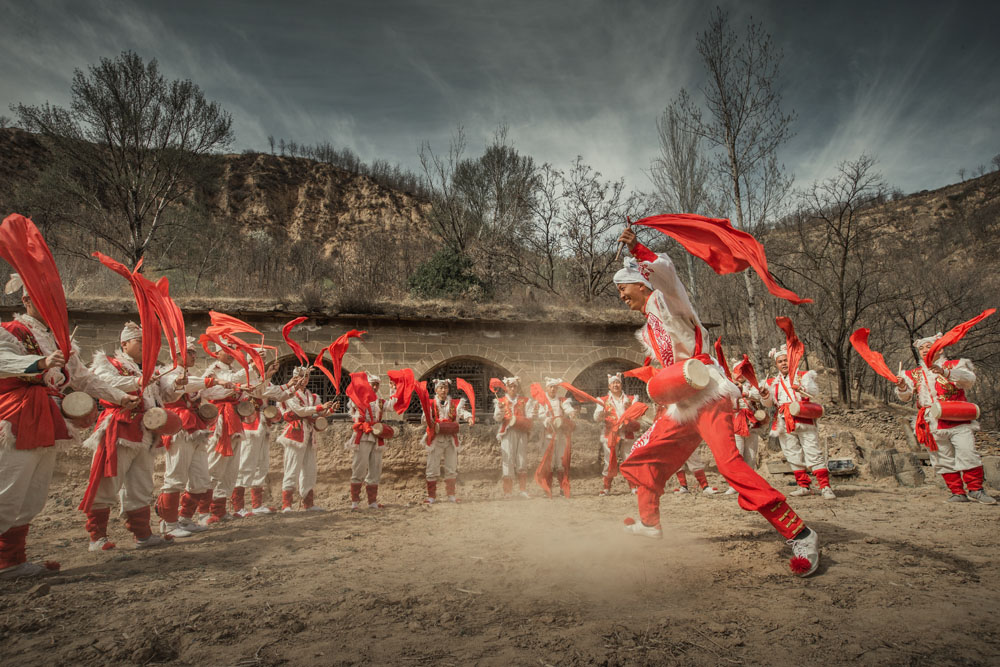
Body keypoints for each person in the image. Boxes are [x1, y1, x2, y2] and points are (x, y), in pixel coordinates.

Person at [614, 228, 820, 577]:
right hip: (682, 405)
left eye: (623, 288)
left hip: (708, 395)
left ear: (642, 283)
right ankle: (649, 524)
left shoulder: (666, 300)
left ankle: (800, 533)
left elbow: (668, 274)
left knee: (729, 465)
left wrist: (638, 249)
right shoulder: (649, 325)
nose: (621, 296)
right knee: (643, 454)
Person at [0, 276, 137, 576]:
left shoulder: (61, 341)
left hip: (46, 418)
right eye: (45, 299)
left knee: (32, 494)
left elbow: (84, 379)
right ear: (26, 301)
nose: (53, 306)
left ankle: (10, 560)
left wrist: (119, 397)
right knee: (7, 490)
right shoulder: (11, 331)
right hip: (16, 417)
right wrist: (39, 363)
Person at [81, 322, 172, 550]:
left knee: (141, 484)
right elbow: (102, 381)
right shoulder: (110, 363)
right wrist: (136, 381)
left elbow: (166, 395)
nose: (145, 346)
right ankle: (97, 537)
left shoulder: (150, 368)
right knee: (108, 481)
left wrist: (177, 385)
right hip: (119, 427)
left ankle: (142, 534)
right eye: (140, 341)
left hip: (145, 431)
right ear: (124, 344)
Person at [896, 334, 996, 504]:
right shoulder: (914, 374)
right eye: (921, 348)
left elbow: (969, 380)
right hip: (932, 422)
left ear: (940, 349)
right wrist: (902, 387)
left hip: (958, 418)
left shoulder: (955, 365)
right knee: (942, 458)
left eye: (929, 346)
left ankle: (976, 490)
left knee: (967, 452)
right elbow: (905, 397)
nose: (924, 350)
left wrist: (945, 372)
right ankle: (957, 492)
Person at [155, 337, 221, 537]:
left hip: (196, 428)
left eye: (194, 352)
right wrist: (212, 380)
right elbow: (178, 389)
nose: (194, 356)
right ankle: (169, 523)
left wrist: (234, 384)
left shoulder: (191, 375)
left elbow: (208, 390)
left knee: (201, 479)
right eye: (190, 352)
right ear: (177, 355)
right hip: (179, 427)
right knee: (175, 476)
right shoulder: (167, 373)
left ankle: (185, 518)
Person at [761, 345, 835, 499]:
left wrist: (800, 388)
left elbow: (812, 393)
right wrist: (765, 395)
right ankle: (803, 486)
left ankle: (825, 487)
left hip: (803, 418)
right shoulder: (772, 382)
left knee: (813, 451)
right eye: (780, 361)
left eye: (786, 360)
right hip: (783, 420)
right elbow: (768, 404)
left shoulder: (803, 376)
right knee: (792, 453)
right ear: (776, 364)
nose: (783, 363)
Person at [278, 366, 336, 511]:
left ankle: (308, 503)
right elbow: (300, 411)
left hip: (309, 434)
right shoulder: (290, 393)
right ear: (295, 377)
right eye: (301, 376)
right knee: (292, 468)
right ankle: (286, 504)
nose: (304, 379)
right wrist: (319, 408)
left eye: (307, 376)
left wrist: (329, 410)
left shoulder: (312, 396)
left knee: (310, 470)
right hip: (295, 433)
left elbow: (318, 414)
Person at [346, 374, 396, 509]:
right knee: (359, 467)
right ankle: (355, 502)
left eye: (376, 384)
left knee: (375, 468)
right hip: (363, 435)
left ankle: (372, 501)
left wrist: (393, 391)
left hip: (377, 436)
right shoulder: (358, 399)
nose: (374, 387)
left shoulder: (379, 401)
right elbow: (354, 412)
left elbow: (391, 406)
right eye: (372, 384)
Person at [422, 379, 472, 504]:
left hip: (450, 439)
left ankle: (451, 495)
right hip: (436, 439)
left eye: (445, 388)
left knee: (451, 467)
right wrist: (428, 419)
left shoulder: (454, 403)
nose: (443, 390)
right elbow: (424, 418)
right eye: (441, 388)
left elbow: (462, 412)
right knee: (432, 467)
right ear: (436, 390)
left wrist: (469, 417)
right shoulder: (431, 403)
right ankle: (431, 496)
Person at [593, 374, 640, 496]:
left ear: (621, 384)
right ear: (609, 386)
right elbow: (596, 417)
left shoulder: (631, 399)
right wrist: (601, 414)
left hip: (627, 433)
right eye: (613, 383)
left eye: (617, 382)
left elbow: (637, 414)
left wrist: (630, 417)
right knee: (609, 460)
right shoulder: (602, 400)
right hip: (610, 434)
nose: (615, 385)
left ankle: (633, 487)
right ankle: (606, 488)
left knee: (629, 459)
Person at [493, 377, 535, 498]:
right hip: (508, 432)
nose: (512, 388)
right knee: (508, 460)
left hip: (521, 431)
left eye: (514, 386)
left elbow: (530, 416)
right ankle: (508, 491)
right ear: (506, 388)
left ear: (517, 388)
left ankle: (522, 490)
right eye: (510, 386)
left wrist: (529, 416)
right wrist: (500, 410)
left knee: (522, 460)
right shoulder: (501, 401)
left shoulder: (524, 401)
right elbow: (497, 418)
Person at [726, 377, 768, 496]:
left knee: (751, 456)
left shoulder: (753, 385)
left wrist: (746, 392)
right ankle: (735, 484)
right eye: (737, 372)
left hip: (752, 422)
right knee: (737, 454)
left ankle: (749, 483)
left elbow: (760, 398)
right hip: (736, 422)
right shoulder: (728, 385)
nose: (740, 375)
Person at [537, 378, 576, 498]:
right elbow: (541, 415)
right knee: (549, 463)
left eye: (555, 387)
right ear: (547, 388)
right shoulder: (543, 401)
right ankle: (547, 489)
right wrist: (548, 420)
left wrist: (571, 412)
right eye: (551, 387)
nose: (553, 389)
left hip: (561, 435)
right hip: (548, 435)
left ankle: (562, 488)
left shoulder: (562, 400)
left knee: (561, 462)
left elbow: (567, 408)